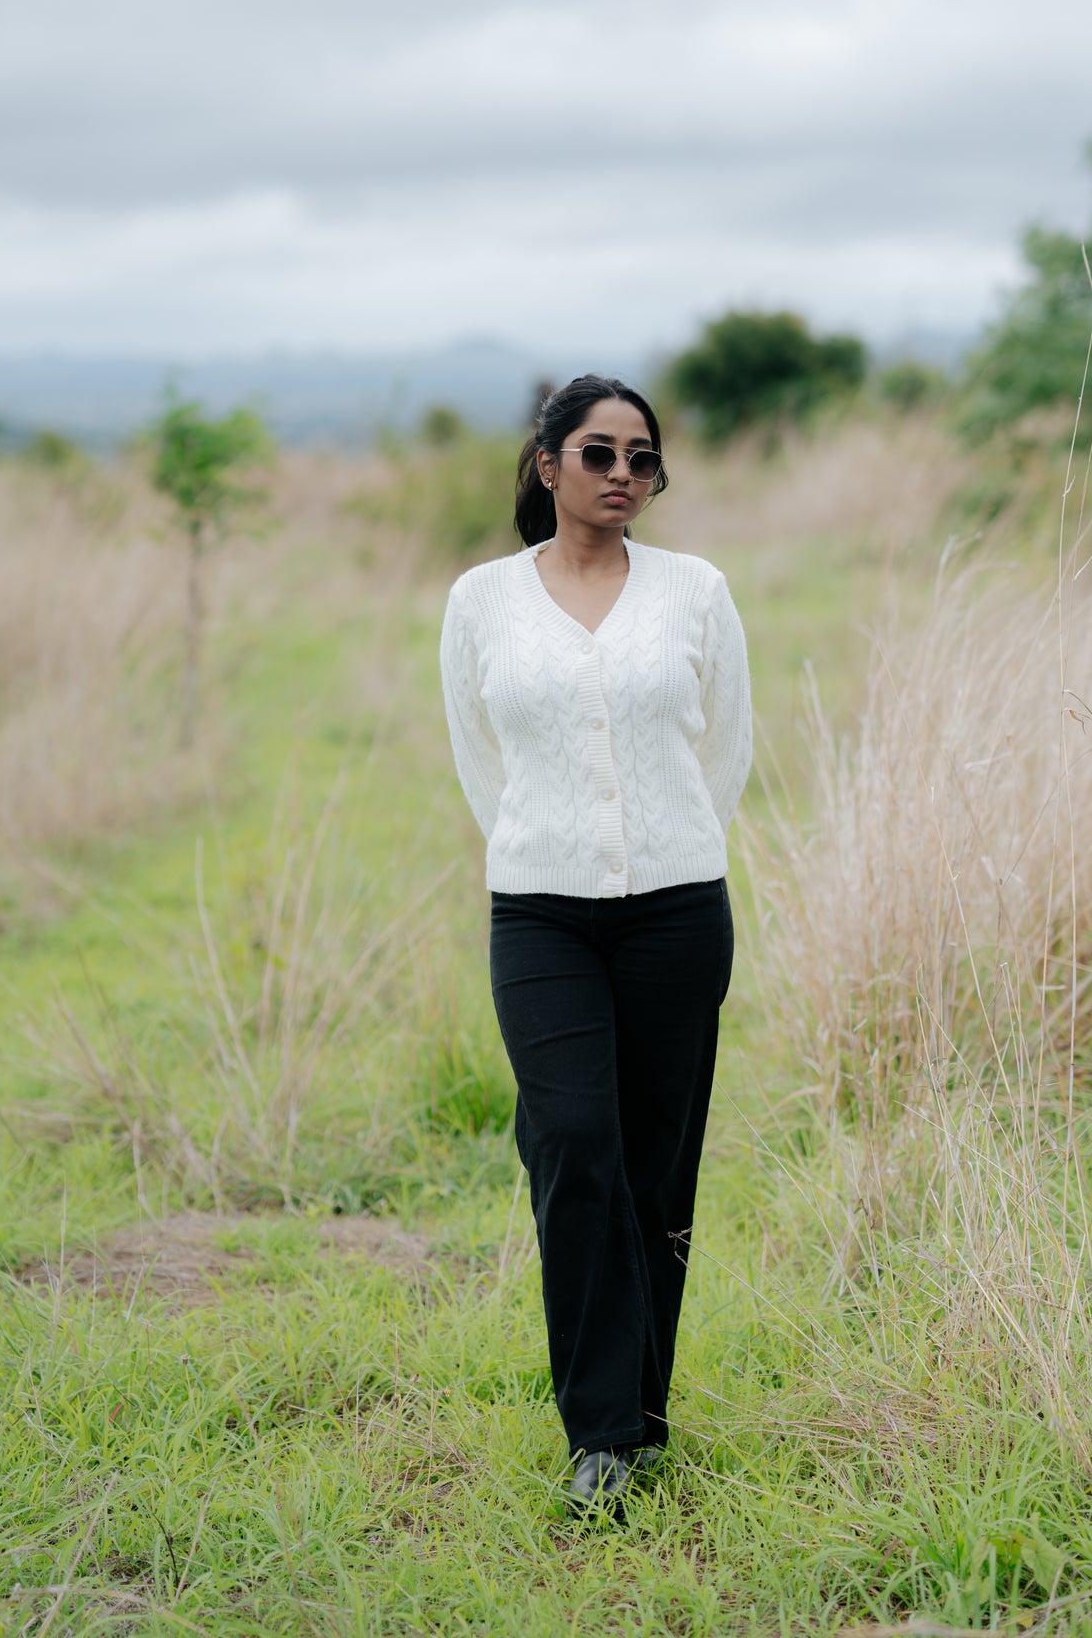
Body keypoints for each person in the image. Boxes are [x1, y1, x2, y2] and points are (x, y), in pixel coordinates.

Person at [438, 372, 752, 1515]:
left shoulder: (696, 591)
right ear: (546, 463)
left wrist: (669, 849)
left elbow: (723, 749)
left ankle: (637, 1415)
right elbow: (482, 756)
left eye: (642, 457)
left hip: (677, 907)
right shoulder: (481, 598)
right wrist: (549, 847)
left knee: (657, 1167)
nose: (622, 473)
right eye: (598, 451)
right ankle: (600, 1430)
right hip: (541, 910)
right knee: (572, 1141)